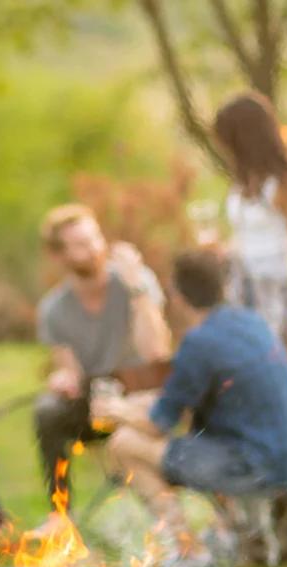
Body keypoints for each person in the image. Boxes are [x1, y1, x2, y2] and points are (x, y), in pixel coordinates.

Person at [91, 249, 287, 567]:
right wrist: (140, 404)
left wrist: (116, 409)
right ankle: (231, 533)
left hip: (258, 466)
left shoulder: (199, 342)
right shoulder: (250, 321)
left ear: (177, 296)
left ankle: (187, 550)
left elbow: (159, 424)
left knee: (124, 444)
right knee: (172, 437)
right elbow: (190, 396)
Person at [33, 204, 172, 504]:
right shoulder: (54, 309)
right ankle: (60, 511)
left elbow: (156, 351)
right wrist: (64, 379)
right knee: (48, 410)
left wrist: (137, 289)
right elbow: (71, 372)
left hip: (146, 395)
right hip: (98, 401)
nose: (95, 248)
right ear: (59, 256)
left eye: (95, 238)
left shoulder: (136, 281)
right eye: (81, 244)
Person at [214, 91, 287, 395]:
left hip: (281, 296)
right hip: (244, 291)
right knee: (254, 392)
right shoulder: (244, 183)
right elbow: (249, 239)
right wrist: (223, 250)